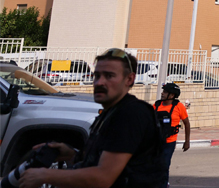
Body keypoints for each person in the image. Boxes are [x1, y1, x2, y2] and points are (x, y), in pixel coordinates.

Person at [19, 48, 165, 188]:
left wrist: (45, 175)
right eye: (97, 75)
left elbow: (103, 178)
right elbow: (100, 162)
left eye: (109, 76)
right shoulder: (111, 113)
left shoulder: (131, 113)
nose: (99, 82)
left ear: (129, 79)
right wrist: (70, 154)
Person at [154, 82, 190, 187]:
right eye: (163, 91)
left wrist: (187, 141)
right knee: (154, 164)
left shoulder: (179, 107)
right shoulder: (156, 105)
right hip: (155, 142)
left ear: (172, 95)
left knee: (164, 164)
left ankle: (164, 184)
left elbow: (186, 123)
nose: (162, 94)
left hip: (169, 142)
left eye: (165, 92)